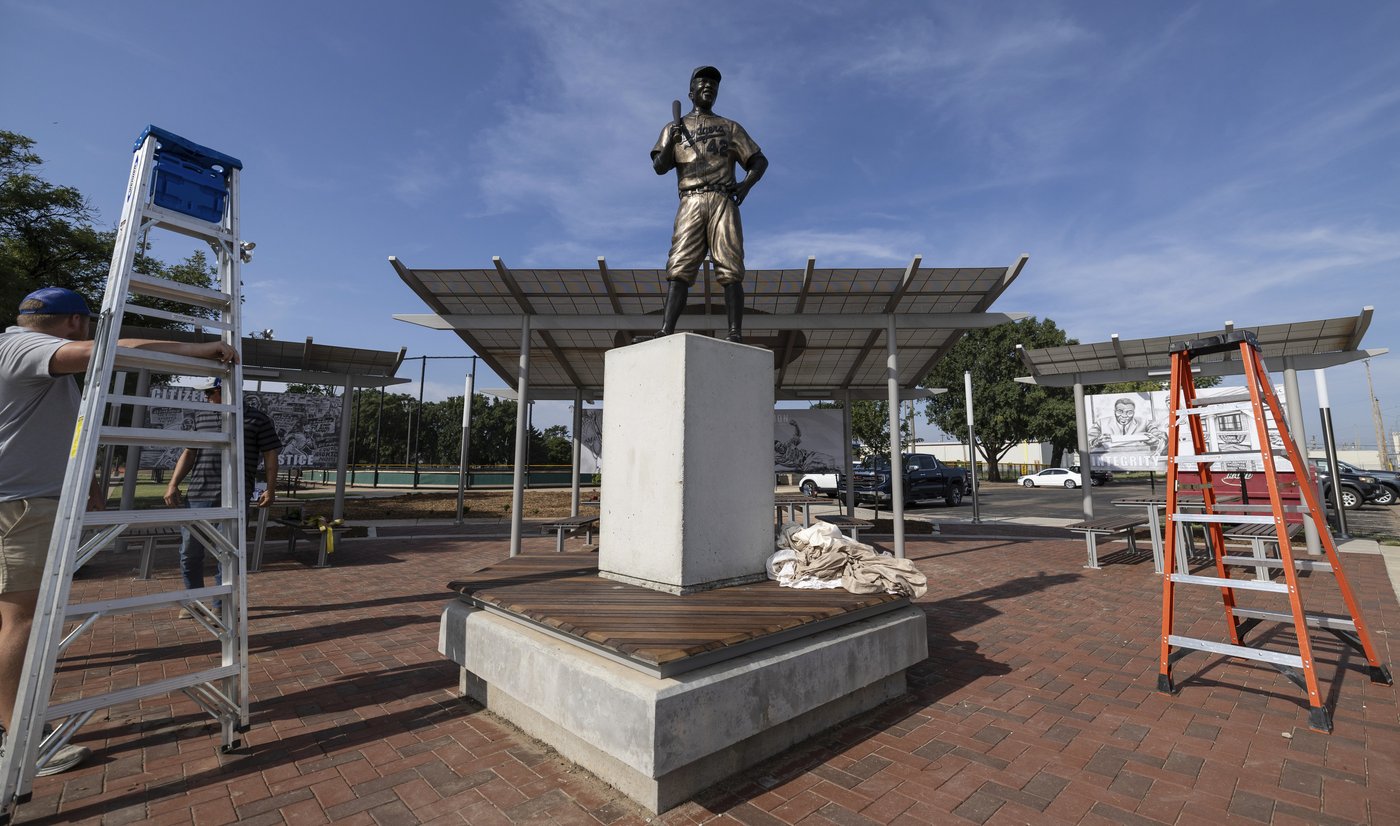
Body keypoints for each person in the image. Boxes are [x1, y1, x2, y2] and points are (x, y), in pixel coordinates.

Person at [0, 286, 238, 775]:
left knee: (12, 618)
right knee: (22, 620)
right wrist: (197, 350)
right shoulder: (26, 347)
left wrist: (84, 479)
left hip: (24, 500)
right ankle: (21, 738)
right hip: (20, 509)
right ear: (76, 323)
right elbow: (114, 349)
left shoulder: (34, 362)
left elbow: (52, 429)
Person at [651, 65, 768, 343]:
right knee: (679, 265)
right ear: (691, 92)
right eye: (702, 84)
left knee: (730, 266)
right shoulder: (674, 127)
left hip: (722, 199)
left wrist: (745, 185)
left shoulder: (729, 127)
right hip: (690, 200)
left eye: (713, 86)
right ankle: (666, 329)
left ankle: (735, 332)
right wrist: (672, 142)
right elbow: (659, 166)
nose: (708, 88)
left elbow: (758, 161)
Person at [163, 377, 281, 607]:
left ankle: (220, 606)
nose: (206, 398)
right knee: (189, 551)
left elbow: (270, 456)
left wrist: (271, 488)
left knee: (227, 554)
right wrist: (173, 483)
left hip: (236, 496)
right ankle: (193, 601)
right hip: (198, 495)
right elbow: (189, 452)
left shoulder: (258, 419)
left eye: (208, 393)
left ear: (223, 390)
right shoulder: (202, 416)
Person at [1089, 396, 1166, 457]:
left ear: (1134, 413)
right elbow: (1088, 440)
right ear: (1114, 411)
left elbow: (1161, 436)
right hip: (1110, 460)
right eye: (1120, 411)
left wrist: (1155, 439)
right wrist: (1097, 441)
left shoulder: (1144, 422)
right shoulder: (1101, 423)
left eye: (1129, 412)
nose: (1124, 416)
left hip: (1139, 459)